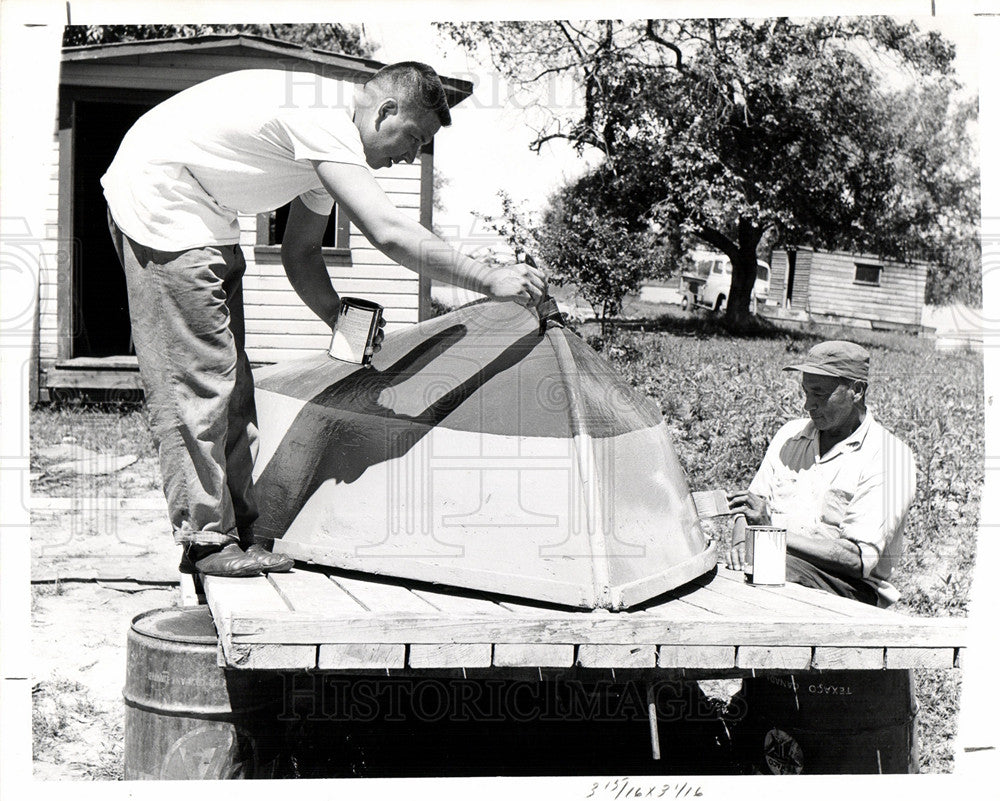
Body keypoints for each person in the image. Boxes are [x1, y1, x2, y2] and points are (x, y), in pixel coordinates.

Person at [102, 62, 546, 578]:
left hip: (206, 210)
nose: (410, 156)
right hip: (162, 197)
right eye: (413, 138)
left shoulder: (332, 153)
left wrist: (337, 316)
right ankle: (205, 539)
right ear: (385, 111)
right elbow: (387, 230)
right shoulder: (325, 118)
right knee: (199, 380)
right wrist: (486, 277)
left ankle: (241, 529)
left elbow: (302, 252)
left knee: (234, 383)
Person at [725, 340, 916, 607]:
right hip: (777, 563)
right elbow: (750, 509)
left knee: (767, 568)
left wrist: (770, 531)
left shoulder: (890, 457)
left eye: (820, 394)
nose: (808, 405)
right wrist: (740, 546)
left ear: (857, 391)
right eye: (805, 392)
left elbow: (856, 560)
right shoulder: (789, 436)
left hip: (850, 590)